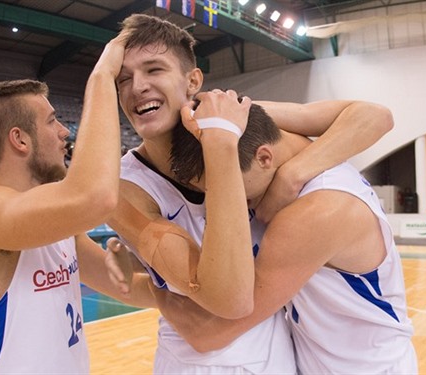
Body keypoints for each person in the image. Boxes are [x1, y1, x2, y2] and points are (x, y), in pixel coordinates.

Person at [105, 14, 394, 374]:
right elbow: (217, 306)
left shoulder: (239, 119)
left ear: (193, 80)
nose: (138, 87)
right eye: (123, 80)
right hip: (201, 363)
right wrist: (144, 275)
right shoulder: (125, 187)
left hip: (289, 357)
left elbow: (374, 115)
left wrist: (291, 175)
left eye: (154, 70)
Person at [157, 102, 418, 374]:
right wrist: (234, 109)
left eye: (229, 189)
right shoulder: (317, 157)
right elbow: (371, 114)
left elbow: (209, 333)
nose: (221, 203)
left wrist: (156, 283)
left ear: (265, 158)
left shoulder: (311, 216)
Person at [0, 30, 154, 374]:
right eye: (51, 121)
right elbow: (96, 197)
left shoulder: (57, 228)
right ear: (19, 139)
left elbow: (129, 287)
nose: (64, 131)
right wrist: (103, 75)